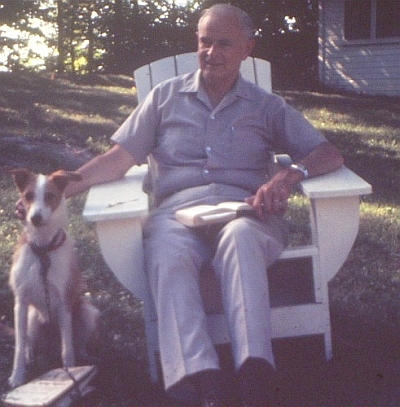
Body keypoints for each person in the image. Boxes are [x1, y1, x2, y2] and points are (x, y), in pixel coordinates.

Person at [18, 4, 344, 406]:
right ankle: (200, 379)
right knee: (167, 247)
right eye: (205, 42)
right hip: (177, 215)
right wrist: (60, 189)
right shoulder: (165, 98)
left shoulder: (266, 106)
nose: (212, 52)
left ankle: (254, 373)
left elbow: (328, 153)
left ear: (247, 49)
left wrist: (289, 175)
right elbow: (118, 159)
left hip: (247, 214)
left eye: (224, 44)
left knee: (240, 237)